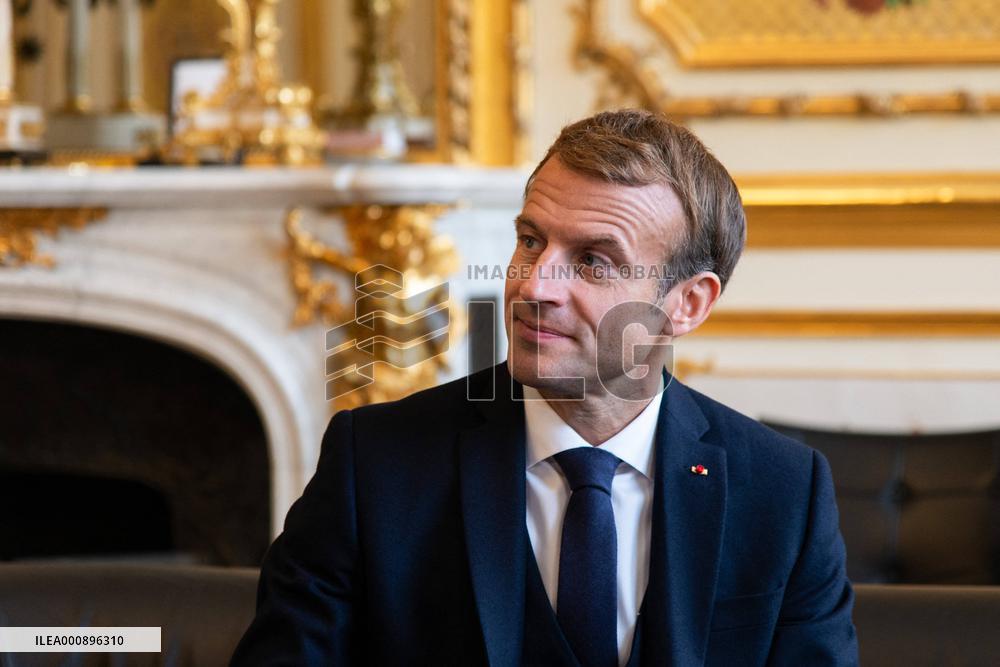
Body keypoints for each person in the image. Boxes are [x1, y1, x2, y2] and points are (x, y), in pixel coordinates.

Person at [231, 109, 859, 666]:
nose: (533, 286)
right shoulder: (374, 464)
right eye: (531, 240)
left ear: (688, 303)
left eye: (593, 261)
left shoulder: (784, 493)